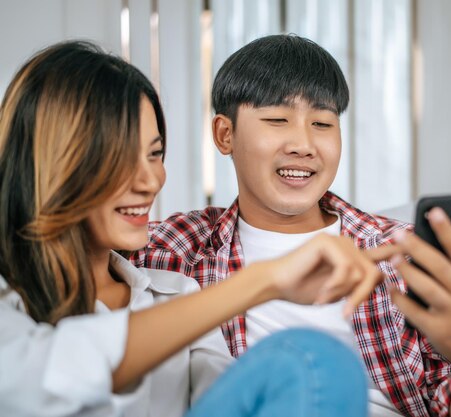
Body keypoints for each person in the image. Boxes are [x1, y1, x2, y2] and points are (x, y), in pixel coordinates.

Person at [132, 34, 451, 417]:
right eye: (277, 119)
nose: (303, 144)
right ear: (225, 133)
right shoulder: (173, 251)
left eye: (323, 123)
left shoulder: (399, 253)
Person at [0, 40, 394, 417]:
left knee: (312, 363)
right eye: (116, 155)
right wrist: (264, 281)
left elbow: (232, 398)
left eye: (154, 154)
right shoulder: (12, 299)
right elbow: (40, 381)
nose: (150, 180)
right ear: (50, 163)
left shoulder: (172, 291)